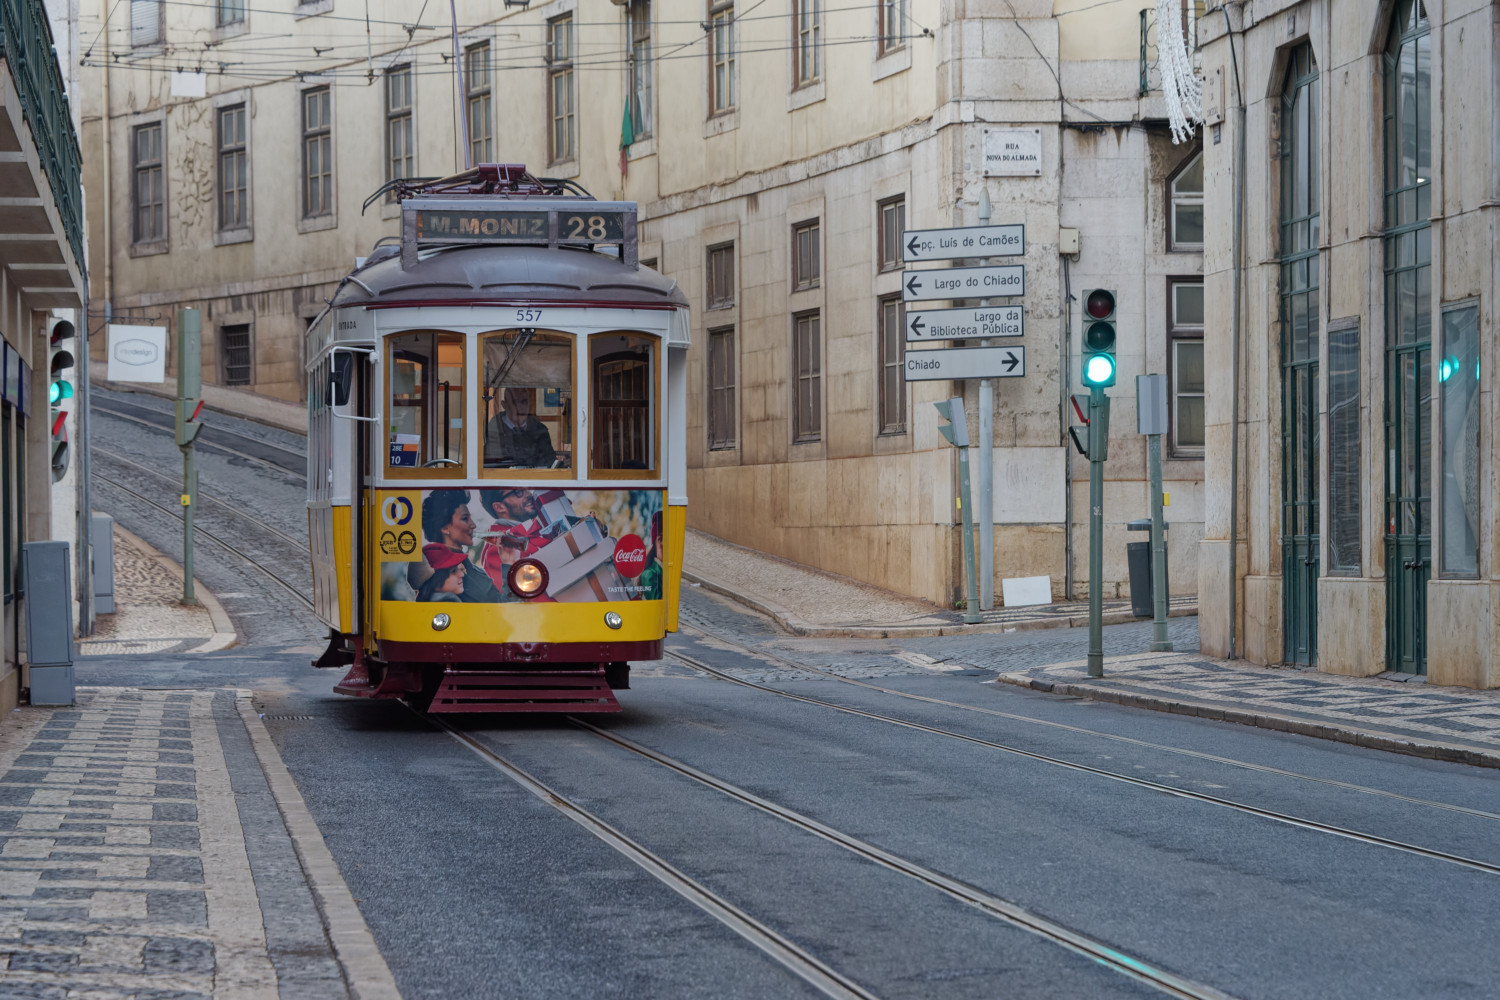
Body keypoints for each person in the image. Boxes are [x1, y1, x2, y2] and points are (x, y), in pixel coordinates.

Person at [417, 490, 508, 603]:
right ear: (445, 528)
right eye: (465, 518)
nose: (473, 525)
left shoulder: (467, 566)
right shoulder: (438, 573)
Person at [485, 387, 558, 468]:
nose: (520, 407)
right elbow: (492, 464)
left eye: (524, 401)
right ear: (505, 405)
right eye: (514, 402)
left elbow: (549, 461)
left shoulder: (540, 429)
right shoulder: (495, 429)